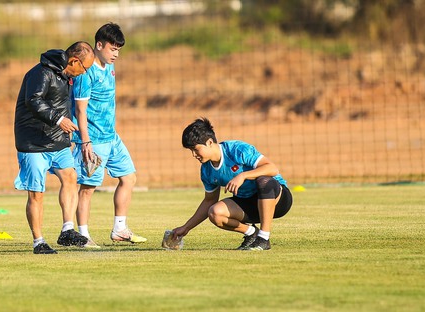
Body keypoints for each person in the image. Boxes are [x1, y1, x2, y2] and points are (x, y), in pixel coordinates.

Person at [14, 41, 95, 254]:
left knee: (70, 177)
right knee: (36, 194)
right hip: (33, 142)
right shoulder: (40, 73)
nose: (83, 73)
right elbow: (34, 100)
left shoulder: (65, 76)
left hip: (57, 141)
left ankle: (67, 229)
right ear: (74, 61)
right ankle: (38, 242)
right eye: (84, 68)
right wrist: (59, 120)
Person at [71, 23, 146, 248]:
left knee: (129, 177)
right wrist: (85, 142)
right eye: (112, 49)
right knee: (87, 188)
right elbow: (80, 110)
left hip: (112, 138)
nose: (116, 54)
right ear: (99, 45)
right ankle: (83, 236)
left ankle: (120, 229)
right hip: (93, 141)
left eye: (118, 50)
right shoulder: (86, 73)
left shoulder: (109, 67)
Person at [172, 118, 293, 250]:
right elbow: (209, 201)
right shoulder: (206, 170)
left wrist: (243, 175)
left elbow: (272, 168)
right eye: (191, 151)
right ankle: (252, 233)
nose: (194, 155)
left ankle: (263, 239)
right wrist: (186, 228)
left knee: (263, 180)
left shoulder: (237, 150)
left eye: (195, 149)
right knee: (215, 212)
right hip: (249, 205)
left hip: (277, 199)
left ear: (209, 142)